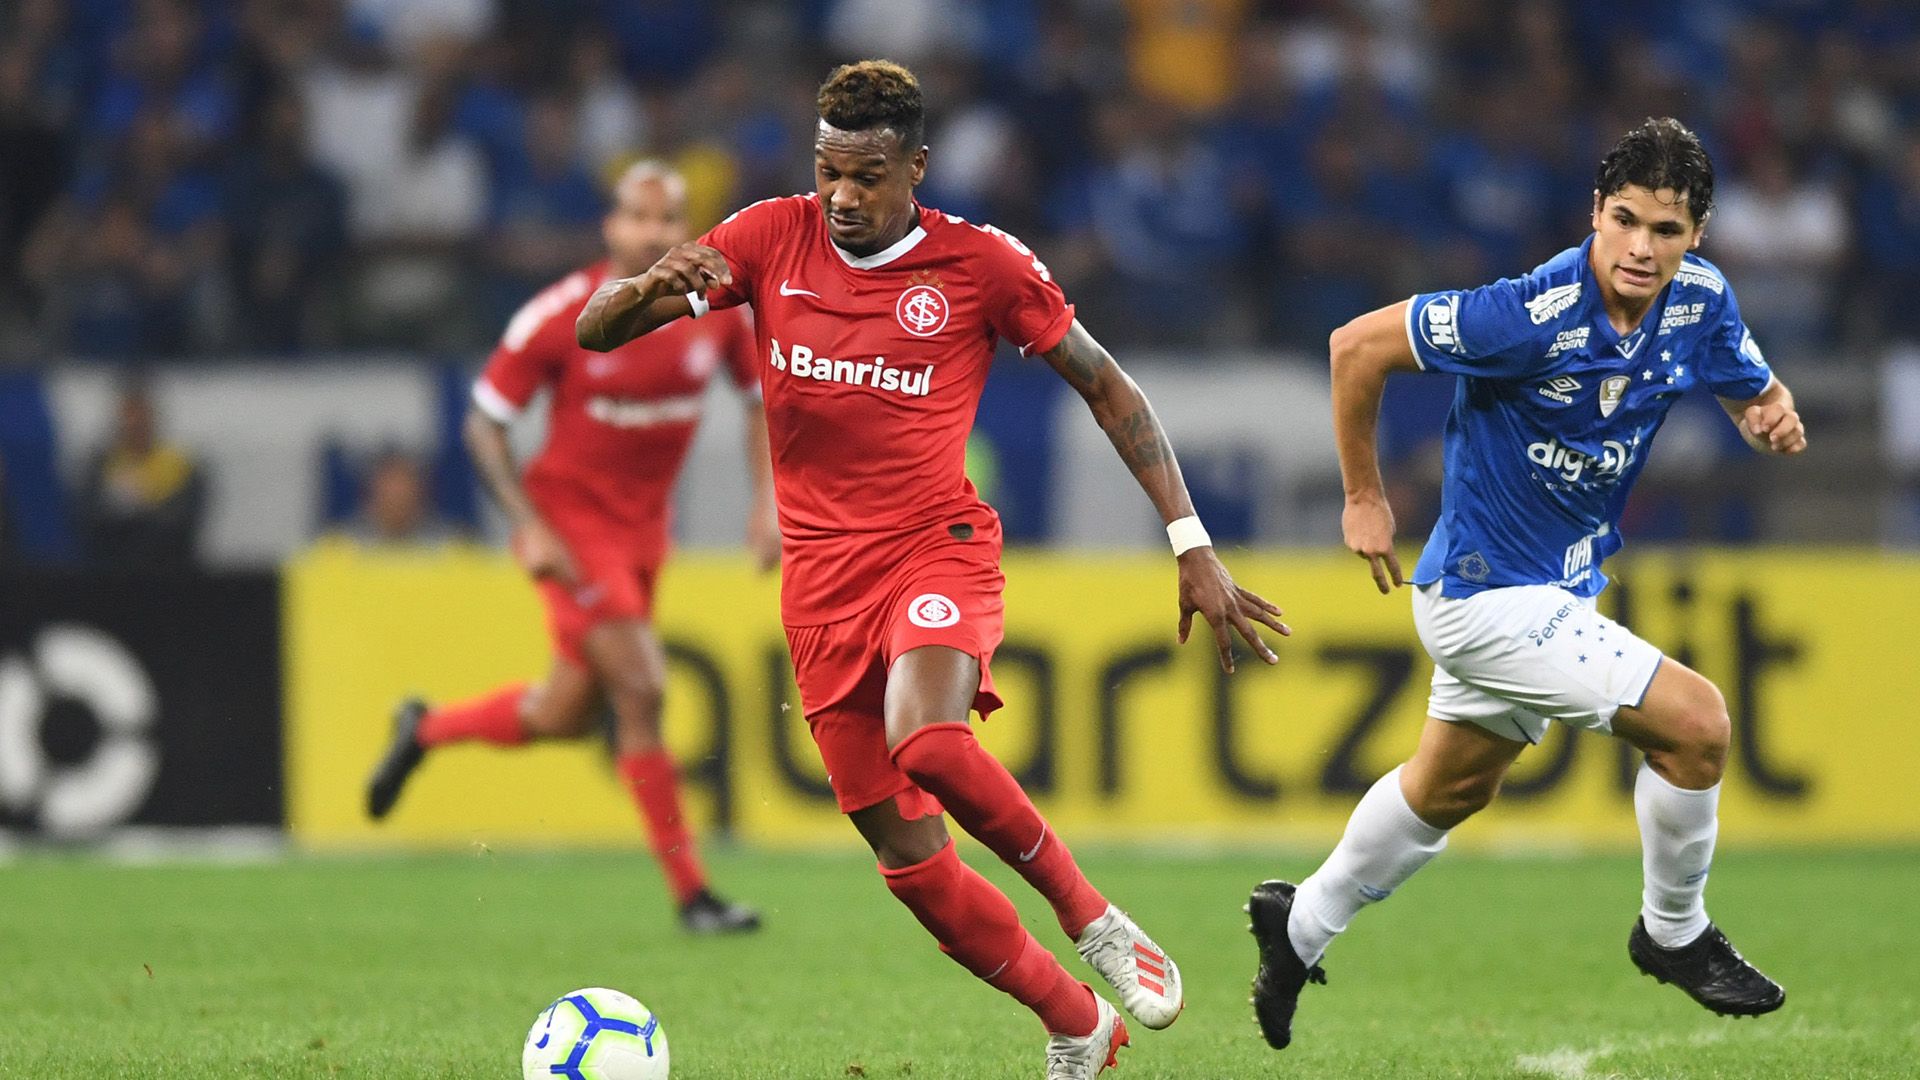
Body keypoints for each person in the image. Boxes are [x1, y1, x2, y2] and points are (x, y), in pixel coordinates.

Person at [576, 61, 1288, 1079]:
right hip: (819, 591)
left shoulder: (981, 264)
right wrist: (648, 287)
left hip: (934, 546)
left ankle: (1095, 921)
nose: (843, 195)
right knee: (910, 866)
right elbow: (596, 333)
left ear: (915, 167)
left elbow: (1110, 387)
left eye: (867, 176)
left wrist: (1191, 544)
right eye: (829, 169)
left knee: (931, 741)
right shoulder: (767, 239)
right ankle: (1075, 1020)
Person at [1247, 118, 1802, 1050]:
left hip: (1560, 588)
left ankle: (1298, 926)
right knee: (1699, 725)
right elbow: (1354, 347)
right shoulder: (1524, 315)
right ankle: (1675, 934)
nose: (1640, 247)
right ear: (1595, 212)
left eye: (1666, 230)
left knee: (1452, 785)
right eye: (1623, 220)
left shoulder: (1700, 301)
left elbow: (1750, 386)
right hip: (1481, 597)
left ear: (1697, 234)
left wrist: (1769, 410)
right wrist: (1364, 497)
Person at [364, 161, 779, 935]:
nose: (654, 233)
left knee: (563, 711)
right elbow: (484, 424)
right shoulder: (559, 316)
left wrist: (766, 503)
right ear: (610, 226)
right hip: (572, 531)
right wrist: (527, 524)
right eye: (638, 217)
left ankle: (423, 729)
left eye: (669, 219)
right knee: (645, 688)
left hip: (646, 536)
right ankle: (694, 896)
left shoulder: (713, 309)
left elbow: (758, 399)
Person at [80, 379, 206, 568]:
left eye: (142, 414)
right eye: (129, 414)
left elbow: (183, 521)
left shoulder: (179, 464)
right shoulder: (102, 464)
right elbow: (89, 515)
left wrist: (138, 511)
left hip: (168, 565)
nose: (136, 423)